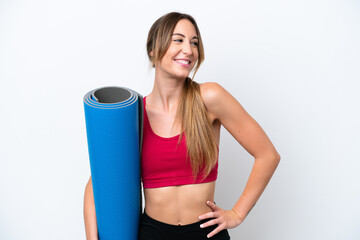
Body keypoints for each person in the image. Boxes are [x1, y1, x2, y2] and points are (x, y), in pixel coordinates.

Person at [84, 12, 280, 240]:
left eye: (194, 42)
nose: (189, 50)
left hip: (206, 233)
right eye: (178, 40)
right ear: (153, 50)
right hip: (152, 233)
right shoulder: (134, 115)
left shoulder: (210, 97)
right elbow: (98, 182)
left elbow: (267, 155)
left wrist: (237, 214)